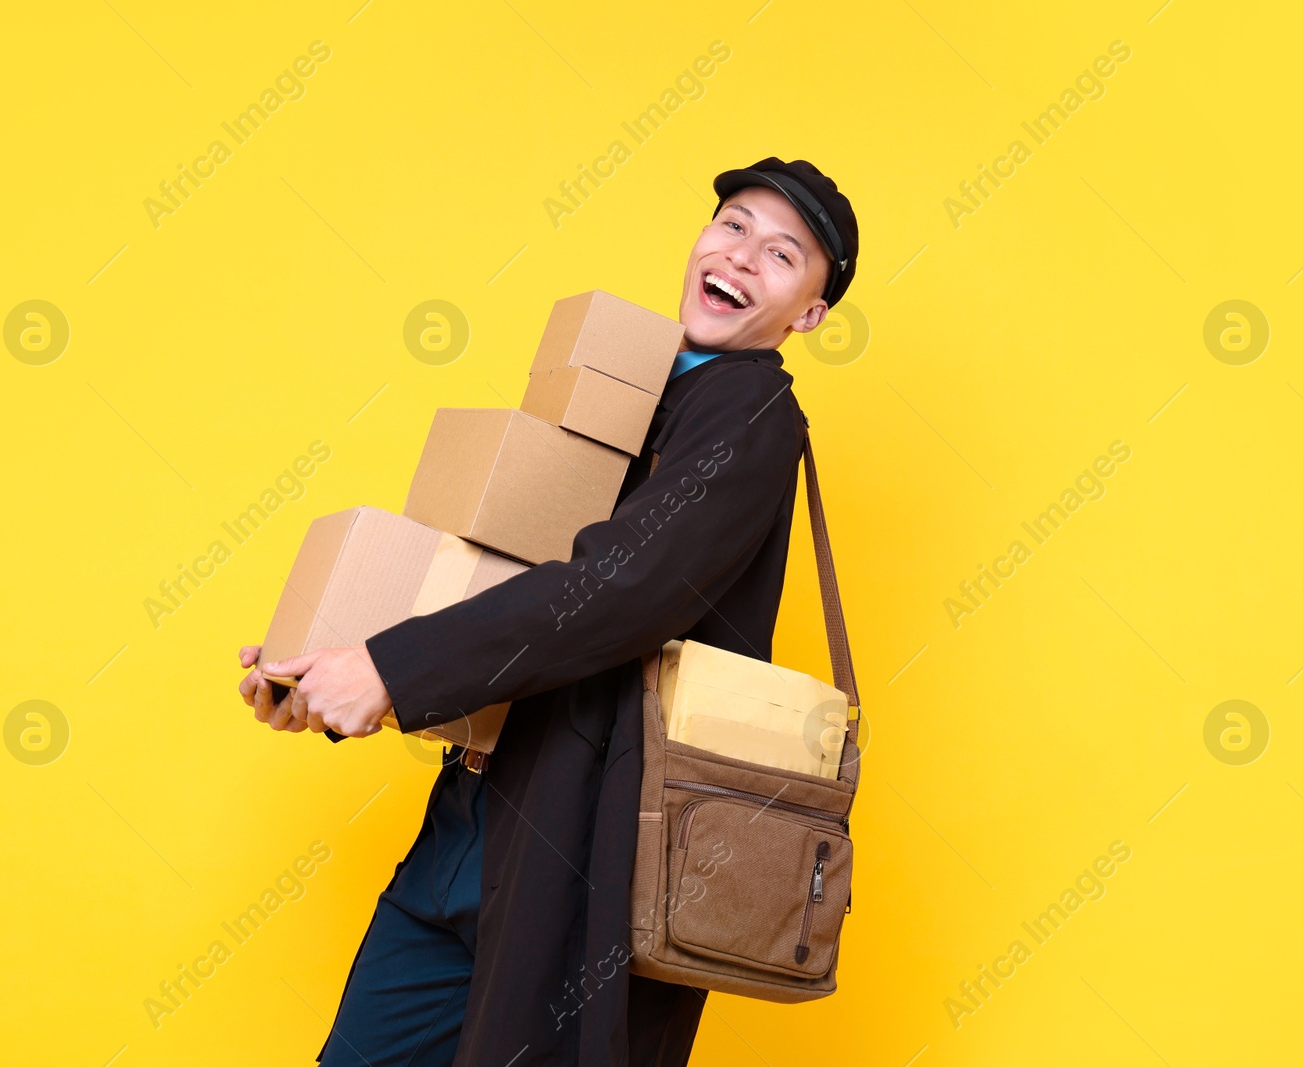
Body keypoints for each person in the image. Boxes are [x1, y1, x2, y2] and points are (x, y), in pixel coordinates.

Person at [237, 157, 859, 1067]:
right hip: (478, 816)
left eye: (783, 253)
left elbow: (617, 590)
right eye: (733, 224)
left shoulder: (751, 412)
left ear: (808, 312)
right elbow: (504, 579)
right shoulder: (637, 394)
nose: (742, 255)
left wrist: (391, 670)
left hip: (586, 856)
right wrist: (328, 672)